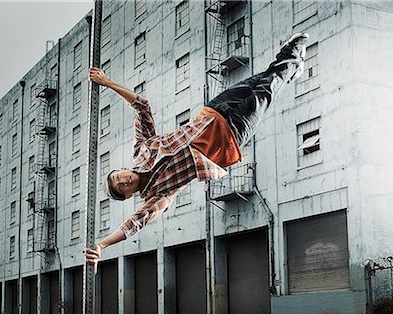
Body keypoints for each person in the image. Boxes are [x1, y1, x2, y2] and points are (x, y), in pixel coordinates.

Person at [84, 32, 309, 267]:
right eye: (121, 188)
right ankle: (292, 56)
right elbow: (135, 223)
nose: (124, 181)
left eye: (119, 177)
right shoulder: (158, 196)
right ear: (128, 195)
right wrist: (102, 245)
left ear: (122, 169)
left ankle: (292, 68)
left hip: (212, 113)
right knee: (266, 91)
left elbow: (142, 107)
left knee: (260, 80)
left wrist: (107, 82)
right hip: (230, 137)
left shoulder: (142, 149)